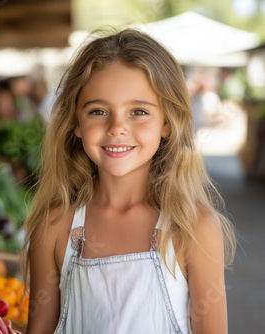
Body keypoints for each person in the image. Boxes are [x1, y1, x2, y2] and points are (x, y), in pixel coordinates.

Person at [21, 28, 236, 334]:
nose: (117, 128)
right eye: (98, 111)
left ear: (166, 122)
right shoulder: (53, 227)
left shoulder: (192, 227)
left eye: (138, 111)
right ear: (76, 124)